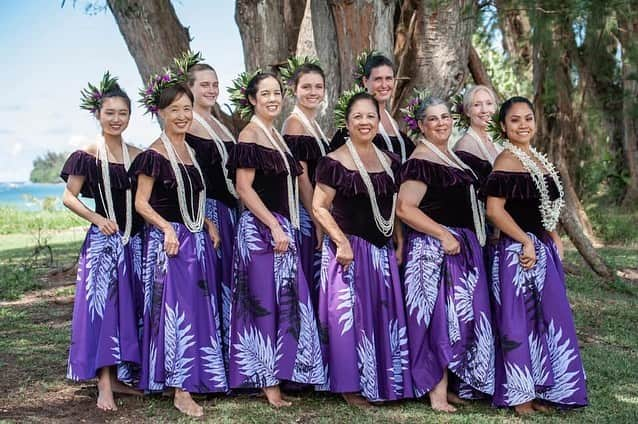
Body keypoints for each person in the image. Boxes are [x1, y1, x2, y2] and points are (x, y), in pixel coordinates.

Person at [226, 71, 324, 407]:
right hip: (261, 231)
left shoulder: (275, 135)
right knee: (263, 306)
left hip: (282, 228)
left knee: (284, 304)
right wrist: (273, 226)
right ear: (252, 99)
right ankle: (268, 386)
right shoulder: (249, 134)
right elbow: (244, 189)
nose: (272, 99)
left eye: (276, 93)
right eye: (265, 94)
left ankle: (281, 375)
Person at [485, 96, 588, 413]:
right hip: (518, 254)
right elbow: (494, 211)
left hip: (542, 251)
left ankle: (547, 389)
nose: (523, 124)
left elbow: (545, 211)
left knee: (549, 323)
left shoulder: (540, 161)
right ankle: (521, 398)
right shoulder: (505, 161)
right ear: (503, 126)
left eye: (528, 118)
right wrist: (525, 242)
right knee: (520, 324)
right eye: (515, 120)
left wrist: (553, 237)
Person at [132, 79, 227, 417]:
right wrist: (165, 229)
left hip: (196, 238)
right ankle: (179, 389)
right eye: (176, 110)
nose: (183, 115)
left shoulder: (193, 151)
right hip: (170, 243)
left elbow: (192, 197)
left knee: (198, 309)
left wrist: (208, 222)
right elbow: (141, 203)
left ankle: (199, 376)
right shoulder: (153, 155)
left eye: (187, 109)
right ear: (160, 113)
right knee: (175, 315)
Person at [312, 91, 413, 406]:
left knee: (380, 316)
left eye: (371, 116)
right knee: (350, 319)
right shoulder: (333, 161)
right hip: (349, 251)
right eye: (358, 116)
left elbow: (392, 206)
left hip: (381, 251)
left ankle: (383, 381)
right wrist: (340, 241)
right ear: (347, 122)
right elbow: (319, 207)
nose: (365, 122)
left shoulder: (390, 161)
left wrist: (398, 239)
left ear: (379, 119)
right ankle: (350, 387)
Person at [398, 93, 494, 413]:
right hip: (435, 250)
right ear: (422, 126)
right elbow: (405, 208)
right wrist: (441, 234)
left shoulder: (449, 154)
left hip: (461, 248)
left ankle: (450, 385)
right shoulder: (421, 160)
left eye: (445, 117)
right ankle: (435, 393)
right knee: (438, 319)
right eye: (433, 119)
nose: (441, 123)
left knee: (458, 319)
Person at [62, 73, 143, 411]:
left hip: (134, 242)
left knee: (129, 310)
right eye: (110, 112)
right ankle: (104, 385)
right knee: (104, 313)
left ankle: (123, 378)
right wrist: (97, 219)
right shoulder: (88, 153)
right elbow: (69, 197)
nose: (116, 119)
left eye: (122, 113)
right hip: (103, 244)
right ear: (98, 114)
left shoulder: (138, 153)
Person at [182, 53, 239, 367]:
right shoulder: (187, 123)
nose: (212, 89)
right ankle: (208, 360)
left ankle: (230, 355)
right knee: (209, 283)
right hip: (207, 213)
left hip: (230, 211)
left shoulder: (220, 122)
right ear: (190, 88)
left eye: (215, 84)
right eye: (204, 84)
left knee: (228, 281)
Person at [281, 58, 329, 303]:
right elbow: (301, 179)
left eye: (318, 86)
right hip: (306, 213)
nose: (313, 92)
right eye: (306, 87)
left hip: (317, 210)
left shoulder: (314, 124)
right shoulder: (294, 124)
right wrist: (318, 219)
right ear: (294, 89)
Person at [330, 51, 414, 162]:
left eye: (388, 78)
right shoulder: (355, 123)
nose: (384, 85)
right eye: (378, 79)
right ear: (365, 81)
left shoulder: (393, 122)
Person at [453, 85, 501, 185]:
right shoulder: (464, 146)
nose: (484, 110)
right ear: (467, 111)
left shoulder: (495, 143)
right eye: (477, 105)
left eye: (489, 103)